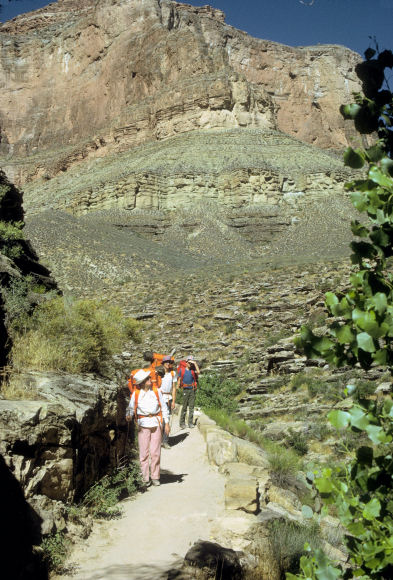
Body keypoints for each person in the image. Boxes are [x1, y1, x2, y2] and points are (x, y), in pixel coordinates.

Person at [126, 369, 170, 487]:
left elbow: (164, 408)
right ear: (142, 382)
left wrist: (166, 423)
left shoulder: (156, 391)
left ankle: (155, 477)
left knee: (155, 452)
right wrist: (128, 415)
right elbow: (130, 408)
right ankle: (145, 478)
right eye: (148, 379)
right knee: (144, 453)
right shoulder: (136, 394)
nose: (151, 379)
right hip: (143, 424)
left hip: (156, 424)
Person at [178, 355, 200, 430]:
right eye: (189, 362)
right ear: (186, 362)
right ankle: (182, 423)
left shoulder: (193, 371)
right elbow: (179, 379)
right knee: (184, 407)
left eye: (191, 363)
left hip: (192, 390)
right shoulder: (182, 370)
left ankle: (190, 423)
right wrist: (178, 388)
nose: (190, 364)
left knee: (191, 407)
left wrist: (195, 363)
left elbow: (199, 372)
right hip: (185, 390)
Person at [160, 355, 177, 449]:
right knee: (159, 420)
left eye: (170, 362)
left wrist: (173, 401)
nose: (168, 364)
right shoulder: (158, 373)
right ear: (163, 363)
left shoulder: (173, 373)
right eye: (166, 362)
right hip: (159, 398)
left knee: (167, 419)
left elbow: (174, 388)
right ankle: (158, 440)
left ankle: (165, 441)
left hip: (168, 398)